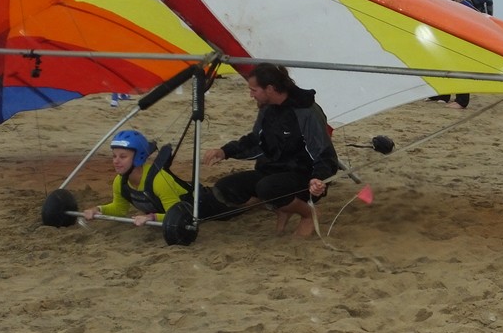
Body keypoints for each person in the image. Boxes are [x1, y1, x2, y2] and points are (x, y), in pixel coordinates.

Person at [203, 63, 339, 237]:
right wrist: (225, 151)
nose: (251, 95)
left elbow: (324, 153)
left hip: (304, 176)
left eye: (254, 90)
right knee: (225, 188)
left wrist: (319, 178)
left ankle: (308, 213)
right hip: (272, 171)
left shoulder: (306, 111)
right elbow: (256, 140)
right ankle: (283, 207)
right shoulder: (267, 108)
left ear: (270, 89)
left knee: (267, 188)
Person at [82, 130, 189, 226]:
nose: (116, 161)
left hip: (193, 208)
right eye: (114, 156)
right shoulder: (120, 181)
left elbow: (177, 215)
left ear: (138, 158)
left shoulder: (159, 180)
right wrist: (98, 209)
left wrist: (151, 217)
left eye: (123, 156)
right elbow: (120, 209)